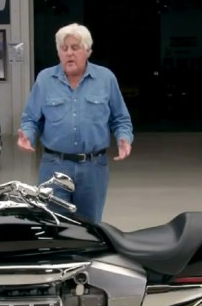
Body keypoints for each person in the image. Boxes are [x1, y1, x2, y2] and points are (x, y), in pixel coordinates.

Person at [17, 23, 133, 223]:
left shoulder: (106, 78)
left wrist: (124, 138)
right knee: (54, 225)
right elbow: (30, 118)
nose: (69, 53)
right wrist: (27, 135)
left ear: (87, 51)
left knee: (89, 228)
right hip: (54, 166)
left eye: (75, 47)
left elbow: (120, 118)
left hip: (93, 167)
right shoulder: (45, 79)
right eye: (64, 48)